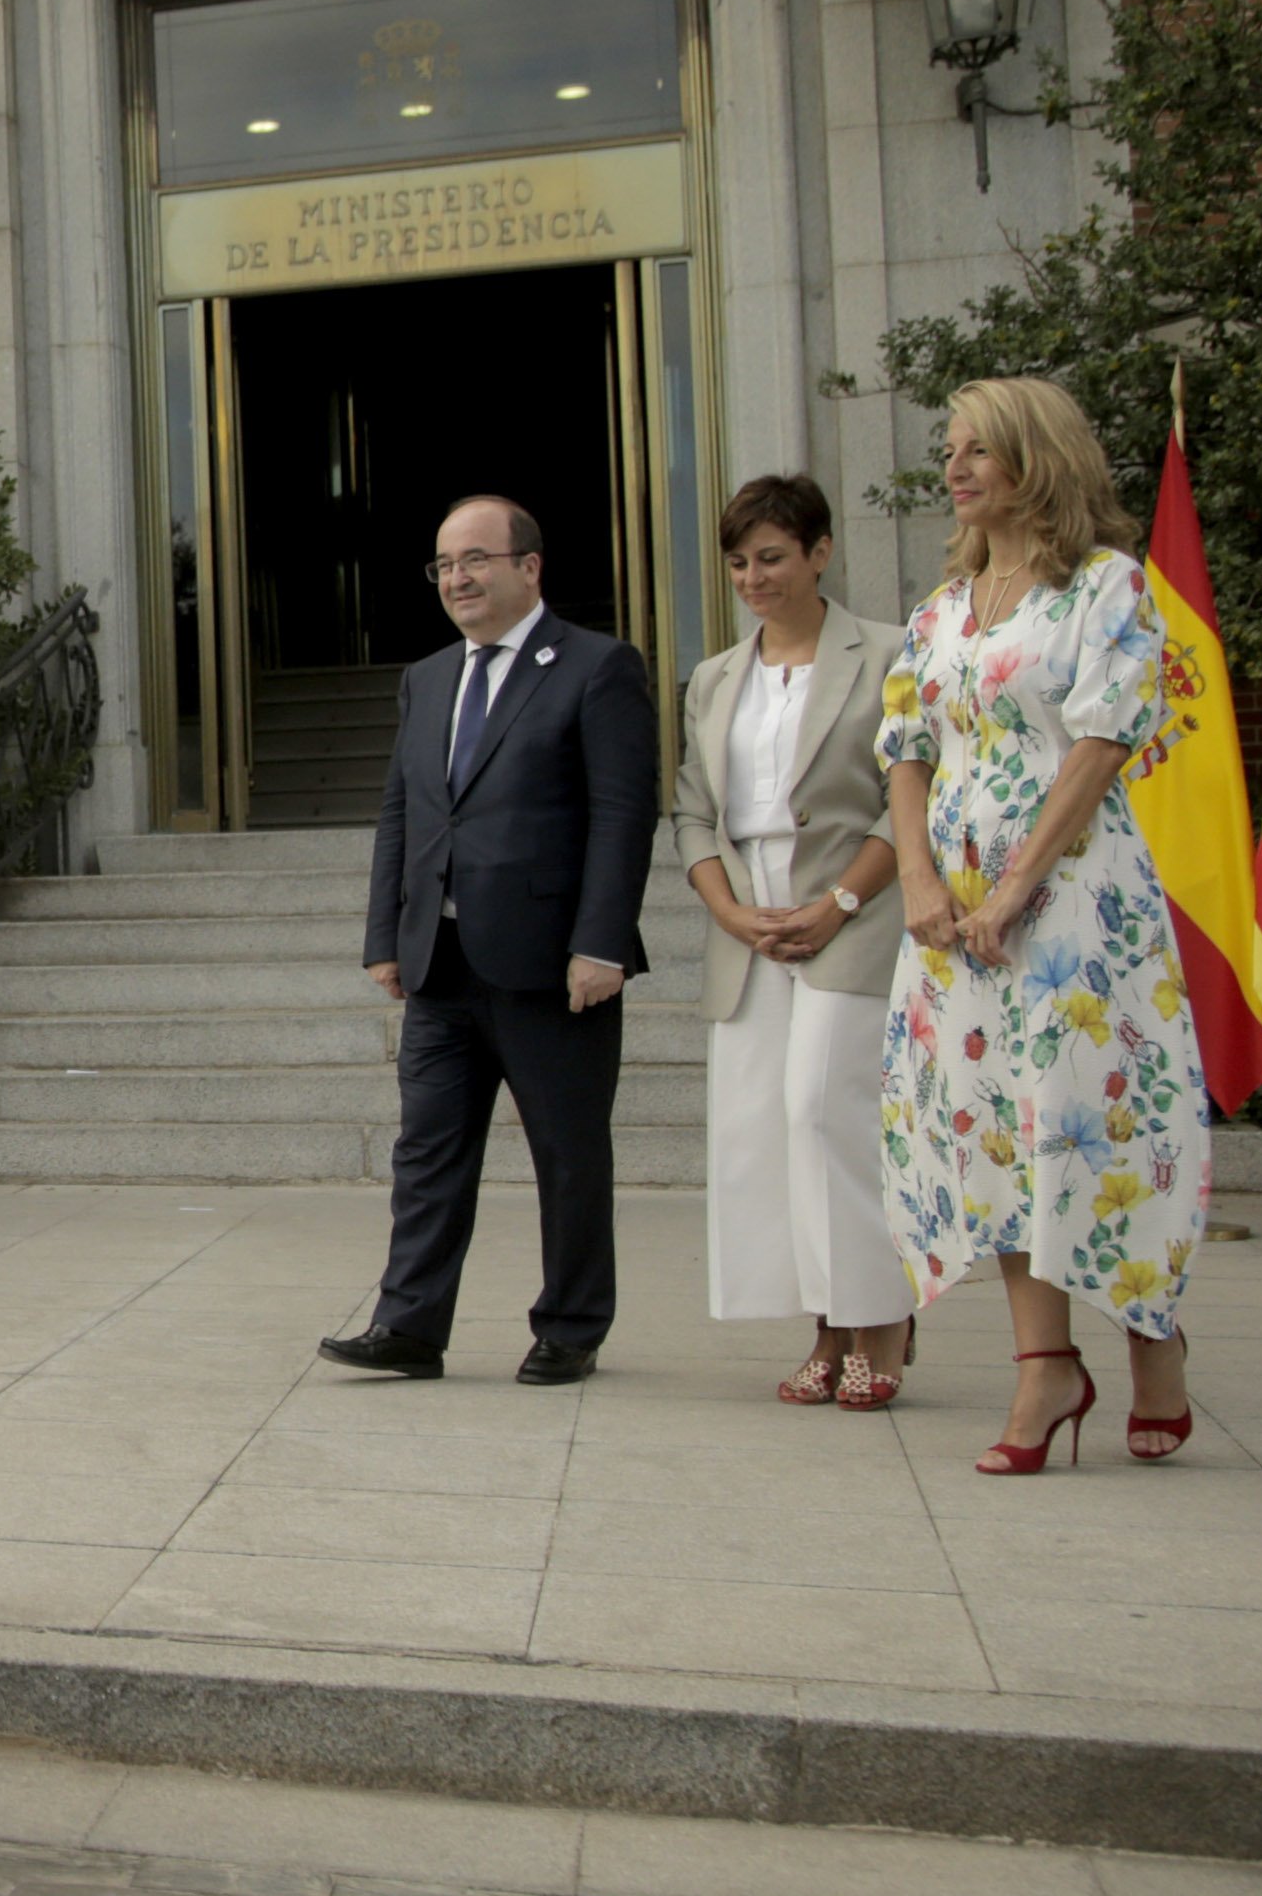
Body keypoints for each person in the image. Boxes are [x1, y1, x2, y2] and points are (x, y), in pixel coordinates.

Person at [878, 375, 1210, 1473]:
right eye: (951, 449)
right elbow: (907, 748)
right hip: (953, 916)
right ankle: (1044, 1368)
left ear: (1038, 458)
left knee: (1094, 1118)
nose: (957, 467)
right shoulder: (938, 610)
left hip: (1073, 902)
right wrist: (921, 881)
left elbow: (1101, 745)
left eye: (981, 448)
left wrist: (1018, 885)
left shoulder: (1106, 587)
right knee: (996, 1133)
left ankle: (1152, 1336)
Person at [320, 495, 659, 1387]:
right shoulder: (427, 678)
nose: (458, 579)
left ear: (529, 567)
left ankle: (571, 1326)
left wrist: (603, 943)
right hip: (441, 961)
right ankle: (409, 1324)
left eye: (476, 560)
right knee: (426, 1151)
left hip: (554, 966)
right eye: (443, 565)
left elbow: (623, 816)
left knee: (568, 1155)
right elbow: (403, 810)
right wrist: (385, 935)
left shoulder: (597, 666)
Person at [670, 476, 918, 1407]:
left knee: (827, 1115)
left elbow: (914, 797)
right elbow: (693, 812)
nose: (753, 577)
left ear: (820, 552)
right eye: (738, 561)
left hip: (855, 905)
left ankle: (877, 1325)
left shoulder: (891, 655)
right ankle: (824, 1323)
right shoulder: (716, 678)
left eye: (771, 556)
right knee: (764, 1131)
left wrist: (842, 902)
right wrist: (727, 909)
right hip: (749, 917)